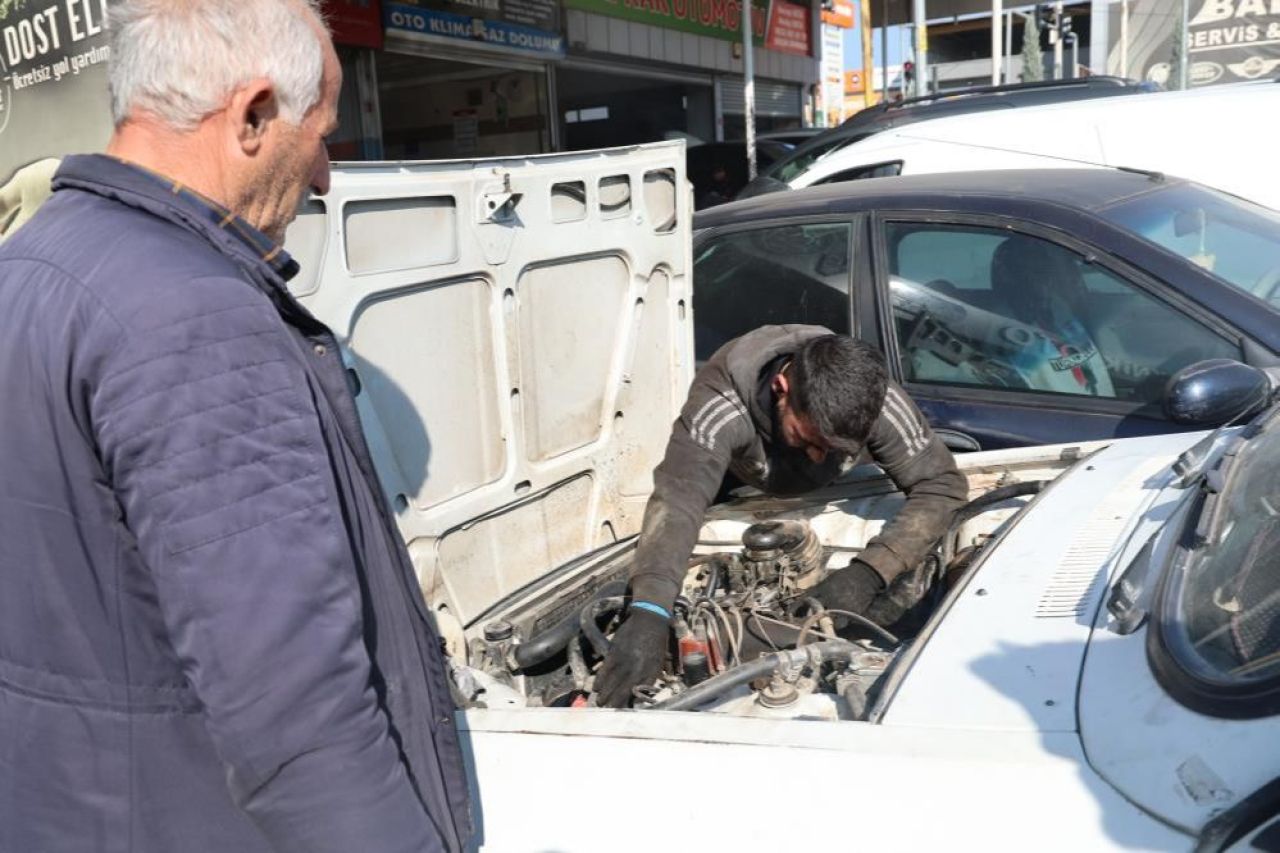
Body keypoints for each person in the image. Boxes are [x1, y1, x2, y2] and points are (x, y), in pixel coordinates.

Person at [0, 3, 470, 851]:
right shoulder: (197, 318)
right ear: (254, 115)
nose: (327, 174)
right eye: (322, 132)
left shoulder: (26, 269)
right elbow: (298, 711)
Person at [595, 325, 969, 708]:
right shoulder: (720, 404)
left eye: (835, 449)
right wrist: (650, 610)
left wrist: (869, 572)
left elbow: (941, 485)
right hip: (734, 494)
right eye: (809, 440)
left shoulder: (872, 397)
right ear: (780, 388)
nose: (818, 457)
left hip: (847, 495)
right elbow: (678, 501)